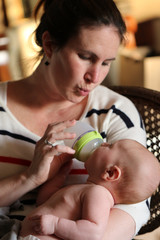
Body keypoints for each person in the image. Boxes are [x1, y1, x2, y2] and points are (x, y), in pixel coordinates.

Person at [0, 0, 150, 239]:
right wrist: (29, 178)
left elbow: (135, 206)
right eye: (85, 57)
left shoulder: (115, 111)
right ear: (49, 45)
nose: (95, 77)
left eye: (106, 63)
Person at [19, 139, 160, 240]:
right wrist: (59, 176)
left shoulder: (98, 194)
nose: (103, 142)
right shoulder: (86, 189)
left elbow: (92, 232)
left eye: (109, 146)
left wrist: (55, 225)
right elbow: (44, 202)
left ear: (110, 173)